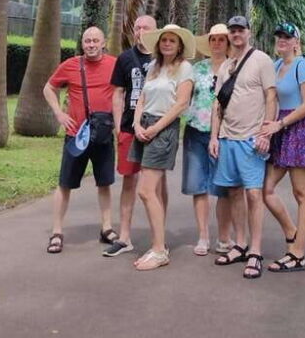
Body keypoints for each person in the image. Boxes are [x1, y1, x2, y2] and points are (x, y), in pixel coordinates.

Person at [209, 15, 277, 280]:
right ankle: (240, 244)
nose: (236, 35)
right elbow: (218, 105)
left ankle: (256, 251)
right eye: (232, 31)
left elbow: (271, 96)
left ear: (249, 32)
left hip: (252, 138)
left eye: (240, 30)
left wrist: (266, 132)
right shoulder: (226, 65)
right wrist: (214, 137)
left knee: (253, 194)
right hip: (227, 137)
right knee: (234, 192)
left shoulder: (262, 60)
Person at [43, 26, 117, 254]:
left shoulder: (115, 64)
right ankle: (56, 231)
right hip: (77, 135)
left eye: (95, 41)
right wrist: (59, 113)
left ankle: (107, 228)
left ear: (103, 43)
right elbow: (49, 87)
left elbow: (122, 93)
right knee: (65, 184)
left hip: (104, 134)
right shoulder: (71, 65)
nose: (91, 45)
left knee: (104, 183)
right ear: (82, 43)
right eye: (87, 41)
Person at [128, 24, 195, 271]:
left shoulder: (184, 68)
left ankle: (159, 250)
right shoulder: (155, 68)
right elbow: (142, 98)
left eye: (172, 41)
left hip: (163, 128)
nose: (167, 44)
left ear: (179, 46)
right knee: (155, 188)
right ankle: (158, 243)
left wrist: (156, 129)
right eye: (164, 40)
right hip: (144, 125)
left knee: (145, 191)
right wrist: (136, 124)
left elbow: (181, 104)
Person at [260, 22, 305, 272]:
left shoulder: (302, 65)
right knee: (266, 189)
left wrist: (280, 124)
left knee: (302, 194)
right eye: (279, 36)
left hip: (299, 130)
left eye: (288, 37)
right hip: (280, 130)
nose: (282, 40)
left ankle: (297, 253)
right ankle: (291, 232)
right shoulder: (276, 66)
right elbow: (270, 98)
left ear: (296, 41)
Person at [104, 14, 169, 258]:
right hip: (130, 129)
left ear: (156, 31)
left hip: (157, 129)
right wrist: (119, 127)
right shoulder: (125, 58)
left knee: (156, 184)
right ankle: (124, 237)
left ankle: (159, 238)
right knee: (129, 182)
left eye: (146, 27)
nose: (141, 31)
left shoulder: (165, 58)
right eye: (137, 27)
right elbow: (118, 93)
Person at [181, 23, 233, 255]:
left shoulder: (234, 68)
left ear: (228, 43)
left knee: (223, 187)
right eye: (213, 39)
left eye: (222, 39)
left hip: (225, 134)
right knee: (198, 186)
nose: (217, 44)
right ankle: (203, 236)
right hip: (195, 130)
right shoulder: (198, 68)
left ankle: (224, 236)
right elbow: (184, 95)